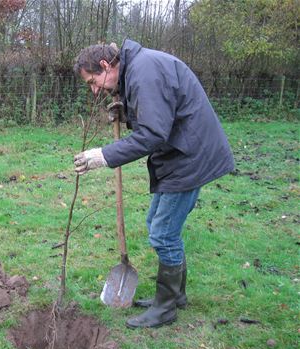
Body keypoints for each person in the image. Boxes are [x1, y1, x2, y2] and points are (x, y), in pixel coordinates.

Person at [73, 39, 235, 329]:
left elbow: (152, 134)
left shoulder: (144, 72)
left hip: (191, 157)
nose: (95, 90)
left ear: (105, 65)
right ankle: (176, 296)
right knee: (158, 224)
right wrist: (126, 113)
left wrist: (104, 156)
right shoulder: (137, 69)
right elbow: (159, 113)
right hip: (182, 151)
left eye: (93, 81)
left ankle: (165, 308)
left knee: (162, 232)